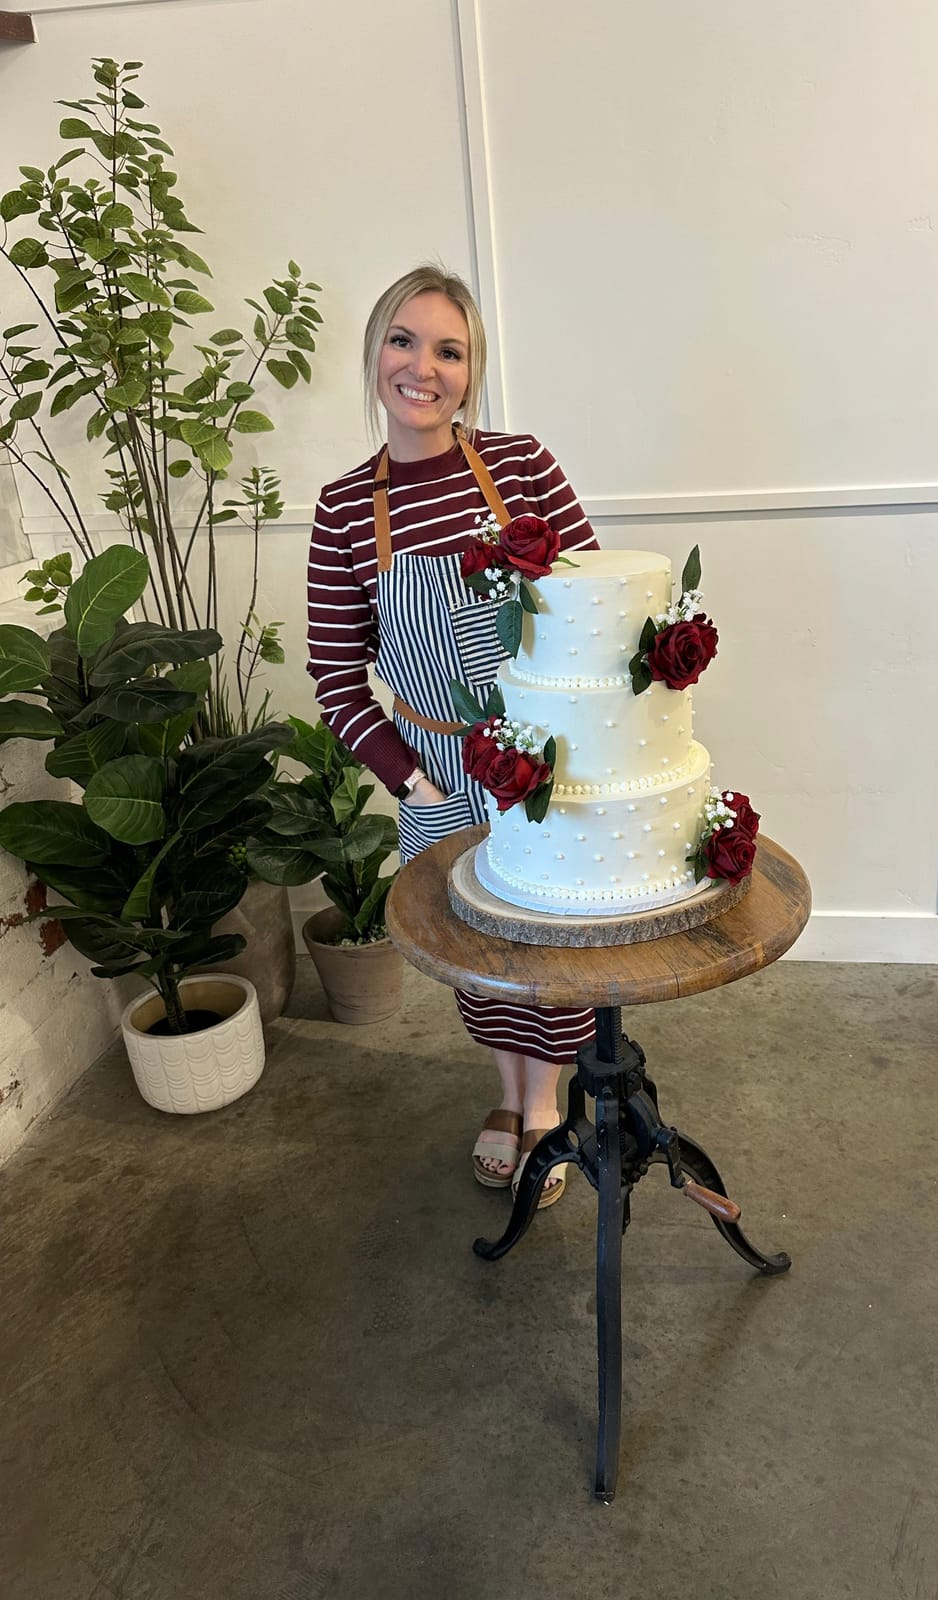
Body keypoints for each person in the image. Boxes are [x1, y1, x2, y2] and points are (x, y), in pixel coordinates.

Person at [306, 263, 597, 1207]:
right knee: (481, 955)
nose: (420, 366)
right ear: (374, 354)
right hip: (441, 773)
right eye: (403, 339)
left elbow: (593, 603)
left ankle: (546, 1104)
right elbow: (335, 676)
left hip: (543, 766)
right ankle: (505, 1095)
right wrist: (411, 781)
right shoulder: (346, 507)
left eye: (448, 349)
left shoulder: (520, 467)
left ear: (471, 372)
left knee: (549, 948)